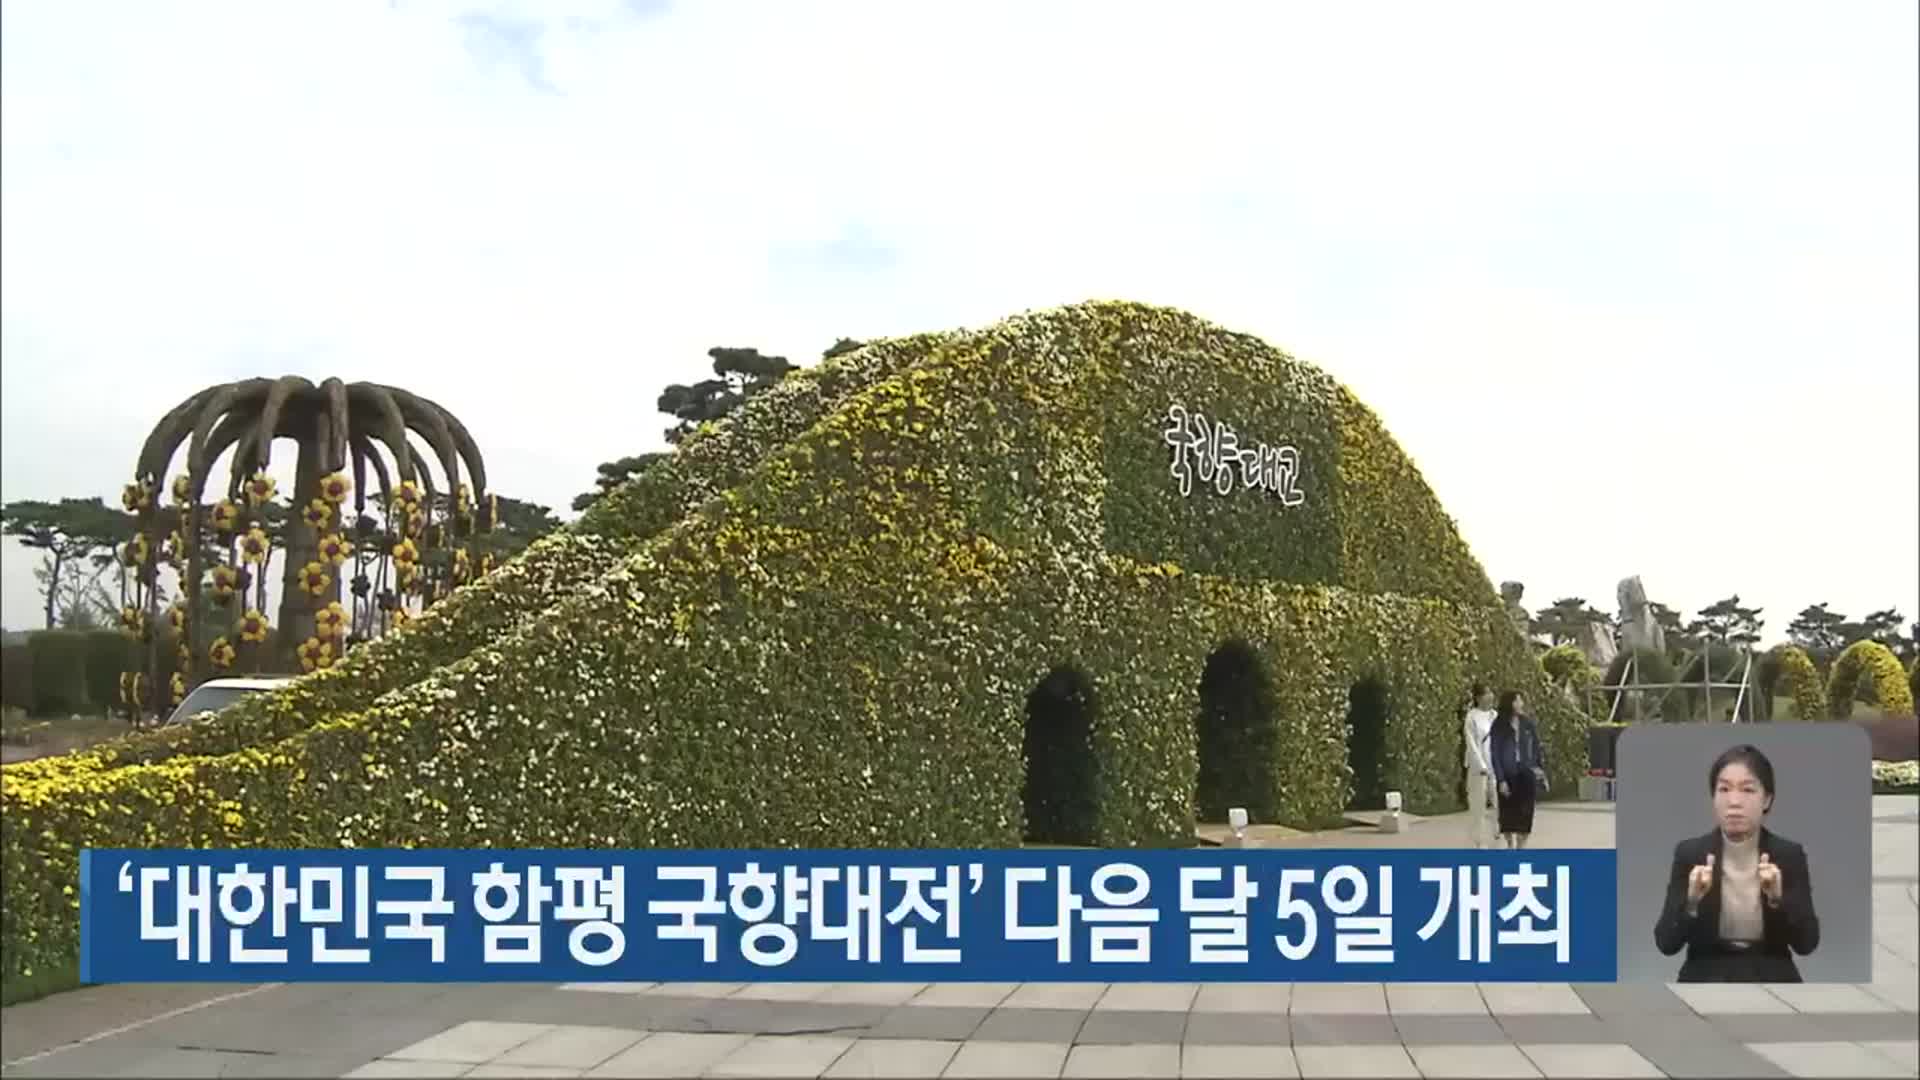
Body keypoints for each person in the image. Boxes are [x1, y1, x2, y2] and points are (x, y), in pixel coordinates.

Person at [1653, 744, 1819, 982]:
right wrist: (1691, 901)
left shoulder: (1787, 855)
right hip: (1705, 972)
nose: (1734, 802)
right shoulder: (1691, 854)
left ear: (1767, 800)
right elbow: (1666, 943)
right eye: (1724, 789)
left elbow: (1807, 943)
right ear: (1713, 798)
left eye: (1748, 790)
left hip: (1772, 972)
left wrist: (1777, 898)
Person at [1488, 691, 1544, 849]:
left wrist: (1539, 768)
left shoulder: (1527, 723)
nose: (1521, 704)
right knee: (1508, 812)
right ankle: (1510, 844)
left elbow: (1536, 747)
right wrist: (1501, 779)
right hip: (1508, 773)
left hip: (1526, 772)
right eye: (1518, 701)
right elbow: (1495, 753)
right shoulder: (1499, 725)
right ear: (1510, 703)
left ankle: (1522, 845)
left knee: (1526, 810)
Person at [1462, 684, 1497, 848]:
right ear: (1478, 697)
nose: (1490, 696)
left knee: (1499, 802)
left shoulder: (1494, 716)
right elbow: (1471, 744)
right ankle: (1479, 841)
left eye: (1491, 692)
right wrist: (1480, 765)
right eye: (1486, 693)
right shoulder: (1471, 717)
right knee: (1478, 805)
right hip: (1479, 769)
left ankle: (1498, 836)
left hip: (1496, 766)